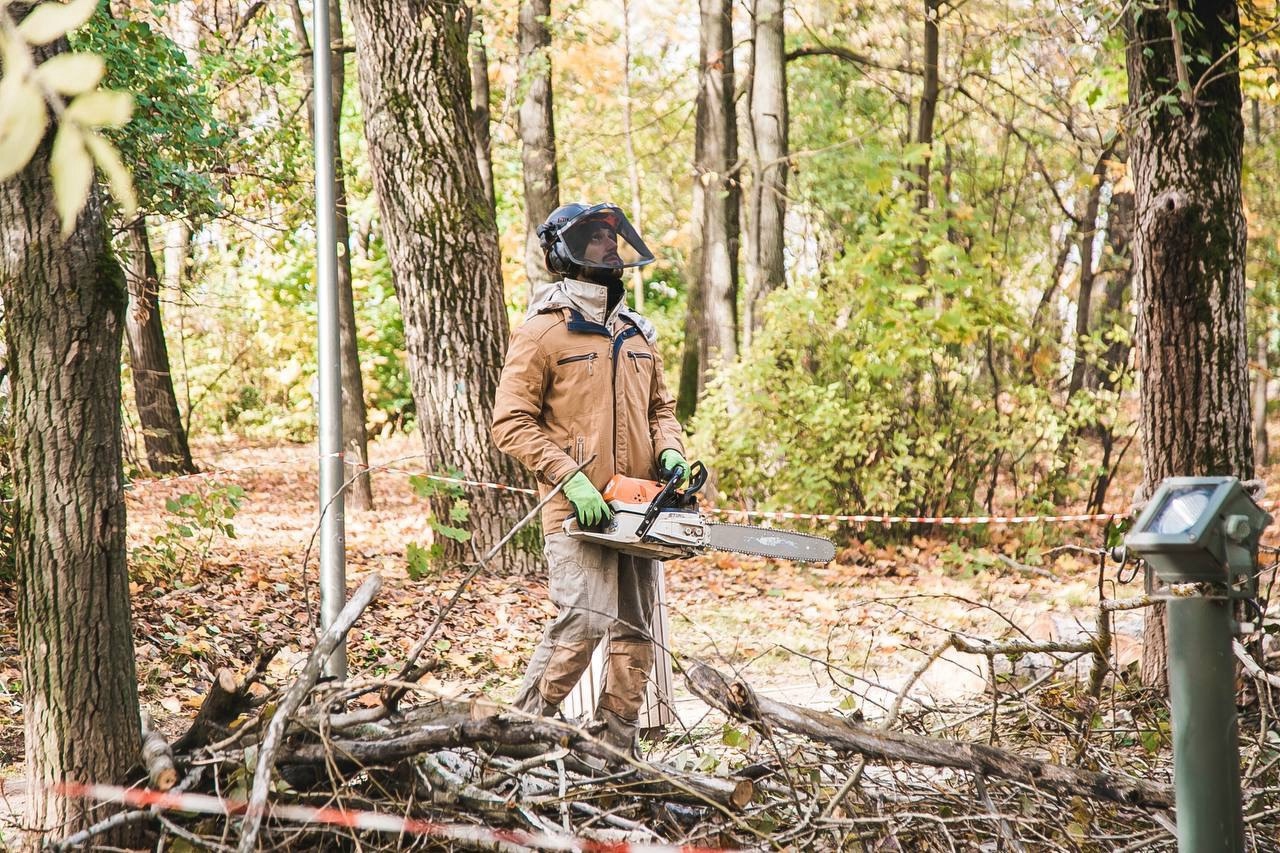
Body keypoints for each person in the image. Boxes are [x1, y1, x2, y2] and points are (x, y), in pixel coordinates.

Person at [491, 201, 689, 754]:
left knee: (637, 629)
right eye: (596, 237)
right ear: (568, 251)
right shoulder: (543, 333)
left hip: (640, 504)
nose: (609, 245)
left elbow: (661, 410)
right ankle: (514, 737)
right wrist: (569, 477)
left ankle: (615, 747)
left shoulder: (636, 334)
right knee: (584, 620)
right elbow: (510, 422)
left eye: (612, 236)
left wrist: (671, 452)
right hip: (577, 508)